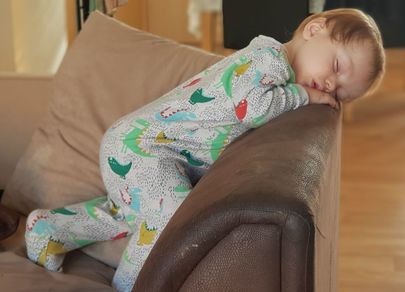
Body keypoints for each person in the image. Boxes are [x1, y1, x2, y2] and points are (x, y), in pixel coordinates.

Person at [25, 8, 385, 292]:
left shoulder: (277, 72)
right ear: (314, 29)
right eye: (336, 67)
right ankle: (133, 286)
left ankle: (50, 230)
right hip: (142, 147)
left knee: (127, 217)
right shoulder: (267, 60)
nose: (329, 84)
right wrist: (308, 96)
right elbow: (252, 107)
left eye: (339, 92)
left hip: (151, 152)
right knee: (168, 221)